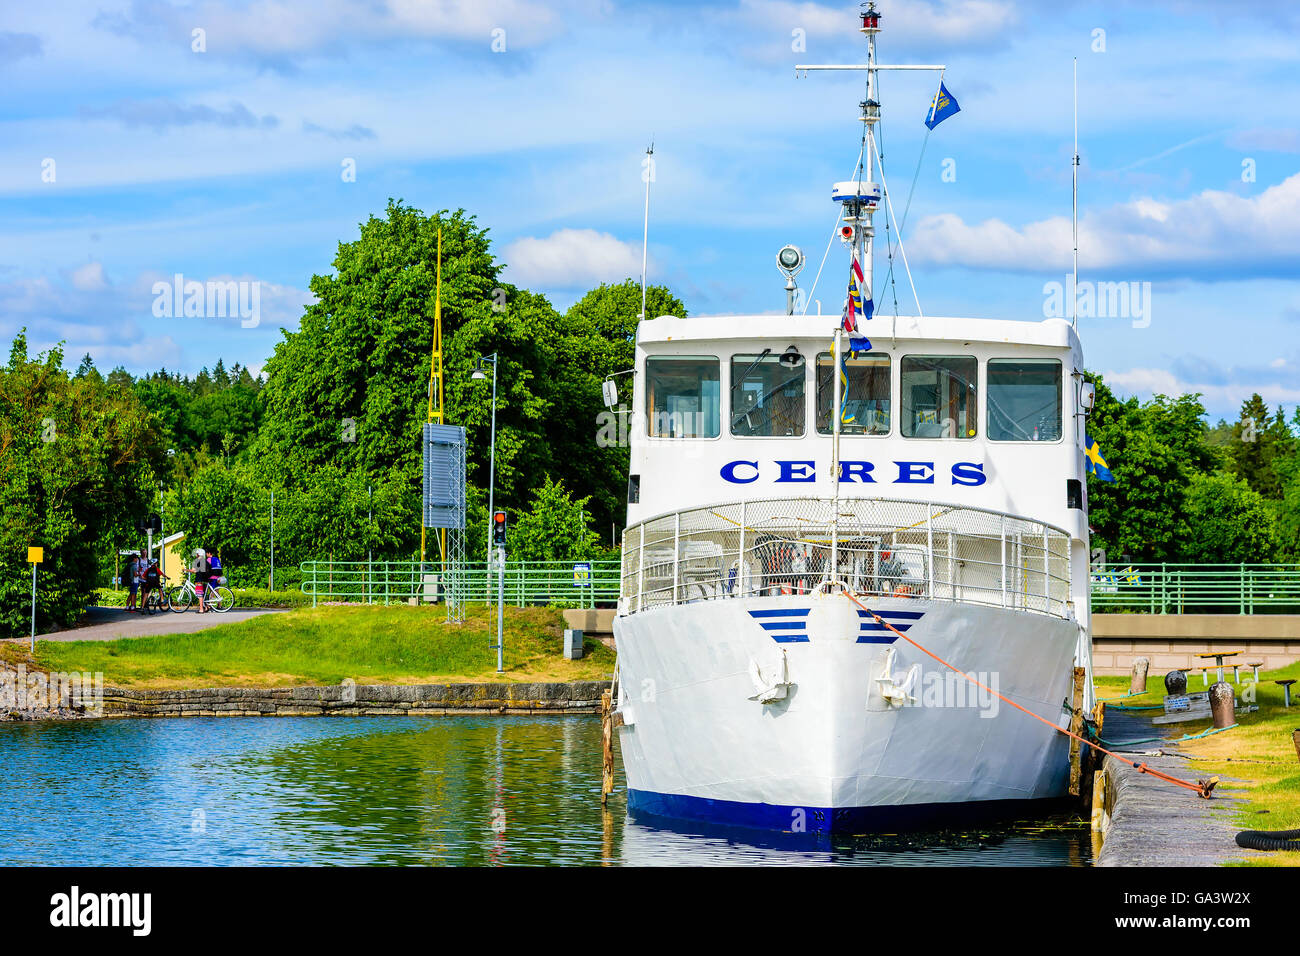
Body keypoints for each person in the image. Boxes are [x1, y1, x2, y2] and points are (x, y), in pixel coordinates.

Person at [191, 548, 211, 613]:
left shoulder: (197, 561)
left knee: (200, 595)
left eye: (197, 554)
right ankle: (206, 607)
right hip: (206, 580)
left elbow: (193, 570)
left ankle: (201, 609)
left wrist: (186, 570)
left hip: (199, 579)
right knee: (204, 594)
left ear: (199, 554)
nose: (196, 555)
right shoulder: (206, 561)